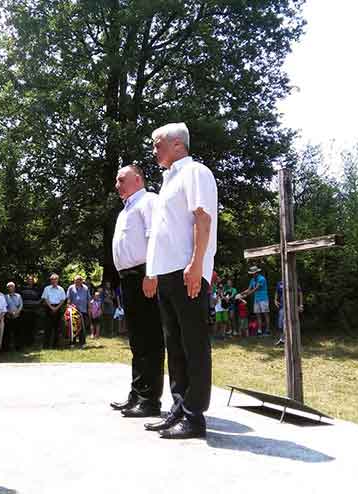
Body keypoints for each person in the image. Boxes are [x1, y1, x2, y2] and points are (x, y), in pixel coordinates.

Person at [143, 122, 217, 439]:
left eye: (157, 143)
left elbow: (203, 217)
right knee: (174, 345)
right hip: (168, 273)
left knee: (193, 344)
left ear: (177, 144)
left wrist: (196, 263)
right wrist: (153, 271)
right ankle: (179, 407)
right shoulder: (168, 180)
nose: (153, 149)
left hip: (187, 270)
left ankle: (194, 416)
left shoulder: (195, 172)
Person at [109, 164, 165, 418]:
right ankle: (137, 394)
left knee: (150, 339)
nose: (117, 184)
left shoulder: (148, 201)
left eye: (122, 179)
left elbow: (156, 238)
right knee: (137, 340)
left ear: (138, 179)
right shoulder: (127, 208)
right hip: (128, 279)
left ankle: (150, 399)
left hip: (144, 275)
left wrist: (151, 273)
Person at [241, 266, 270, 336]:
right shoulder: (252, 280)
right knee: (258, 315)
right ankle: (259, 330)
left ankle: (267, 330)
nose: (252, 274)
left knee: (265, 314)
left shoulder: (262, 279)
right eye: (252, 273)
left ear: (257, 272)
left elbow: (256, 289)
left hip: (263, 299)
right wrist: (241, 293)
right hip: (256, 299)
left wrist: (247, 295)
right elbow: (249, 289)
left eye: (253, 273)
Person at [274, 280, 304, 346]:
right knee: (280, 323)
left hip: (293, 306)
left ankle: (292, 340)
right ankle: (282, 339)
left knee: (290, 322)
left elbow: (300, 293)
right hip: (282, 306)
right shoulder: (280, 283)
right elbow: (277, 292)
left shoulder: (294, 282)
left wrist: (301, 305)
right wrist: (275, 300)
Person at [41, 273, 67, 348]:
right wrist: (51, 308)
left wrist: (56, 308)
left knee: (57, 328)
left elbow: (63, 300)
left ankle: (55, 345)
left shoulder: (61, 289)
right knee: (47, 328)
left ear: (58, 280)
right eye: (52, 279)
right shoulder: (47, 288)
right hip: (48, 308)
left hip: (58, 308)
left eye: (55, 279)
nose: (53, 281)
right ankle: (46, 346)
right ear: (50, 280)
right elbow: (45, 299)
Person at [67, 275, 90, 346]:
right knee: (73, 327)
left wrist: (89, 308)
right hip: (74, 310)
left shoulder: (86, 288)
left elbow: (88, 299)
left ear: (81, 281)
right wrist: (69, 306)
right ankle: (72, 342)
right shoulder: (71, 288)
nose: (77, 282)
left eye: (79, 281)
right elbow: (68, 299)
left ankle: (82, 342)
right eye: (75, 281)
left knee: (82, 327)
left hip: (83, 310)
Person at [19, 277, 42, 346]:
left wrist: (37, 303)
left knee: (33, 327)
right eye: (29, 280)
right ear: (26, 281)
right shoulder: (22, 288)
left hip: (34, 311)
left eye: (31, 280)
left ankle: (31, 343)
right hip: (25, 311)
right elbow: (20, 299)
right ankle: (25, 342)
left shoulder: (37, 289)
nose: (30, 281)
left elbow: (41, 298)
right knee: (25, 328)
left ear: (33, 281)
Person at [4, 281, 23, 351]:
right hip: (8, 317)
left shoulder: (18, 296)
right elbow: (4, 307)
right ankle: (6, 348)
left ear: (14, 288)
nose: (10, 288)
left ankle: (18, 347)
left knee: (17, 333)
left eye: (12, 287)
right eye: (9, 287)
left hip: (17, 317)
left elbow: (21, 305)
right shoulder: (5, 296)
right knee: (7, 334)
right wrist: (10, 312)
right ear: (7, 288)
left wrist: (17, 312)